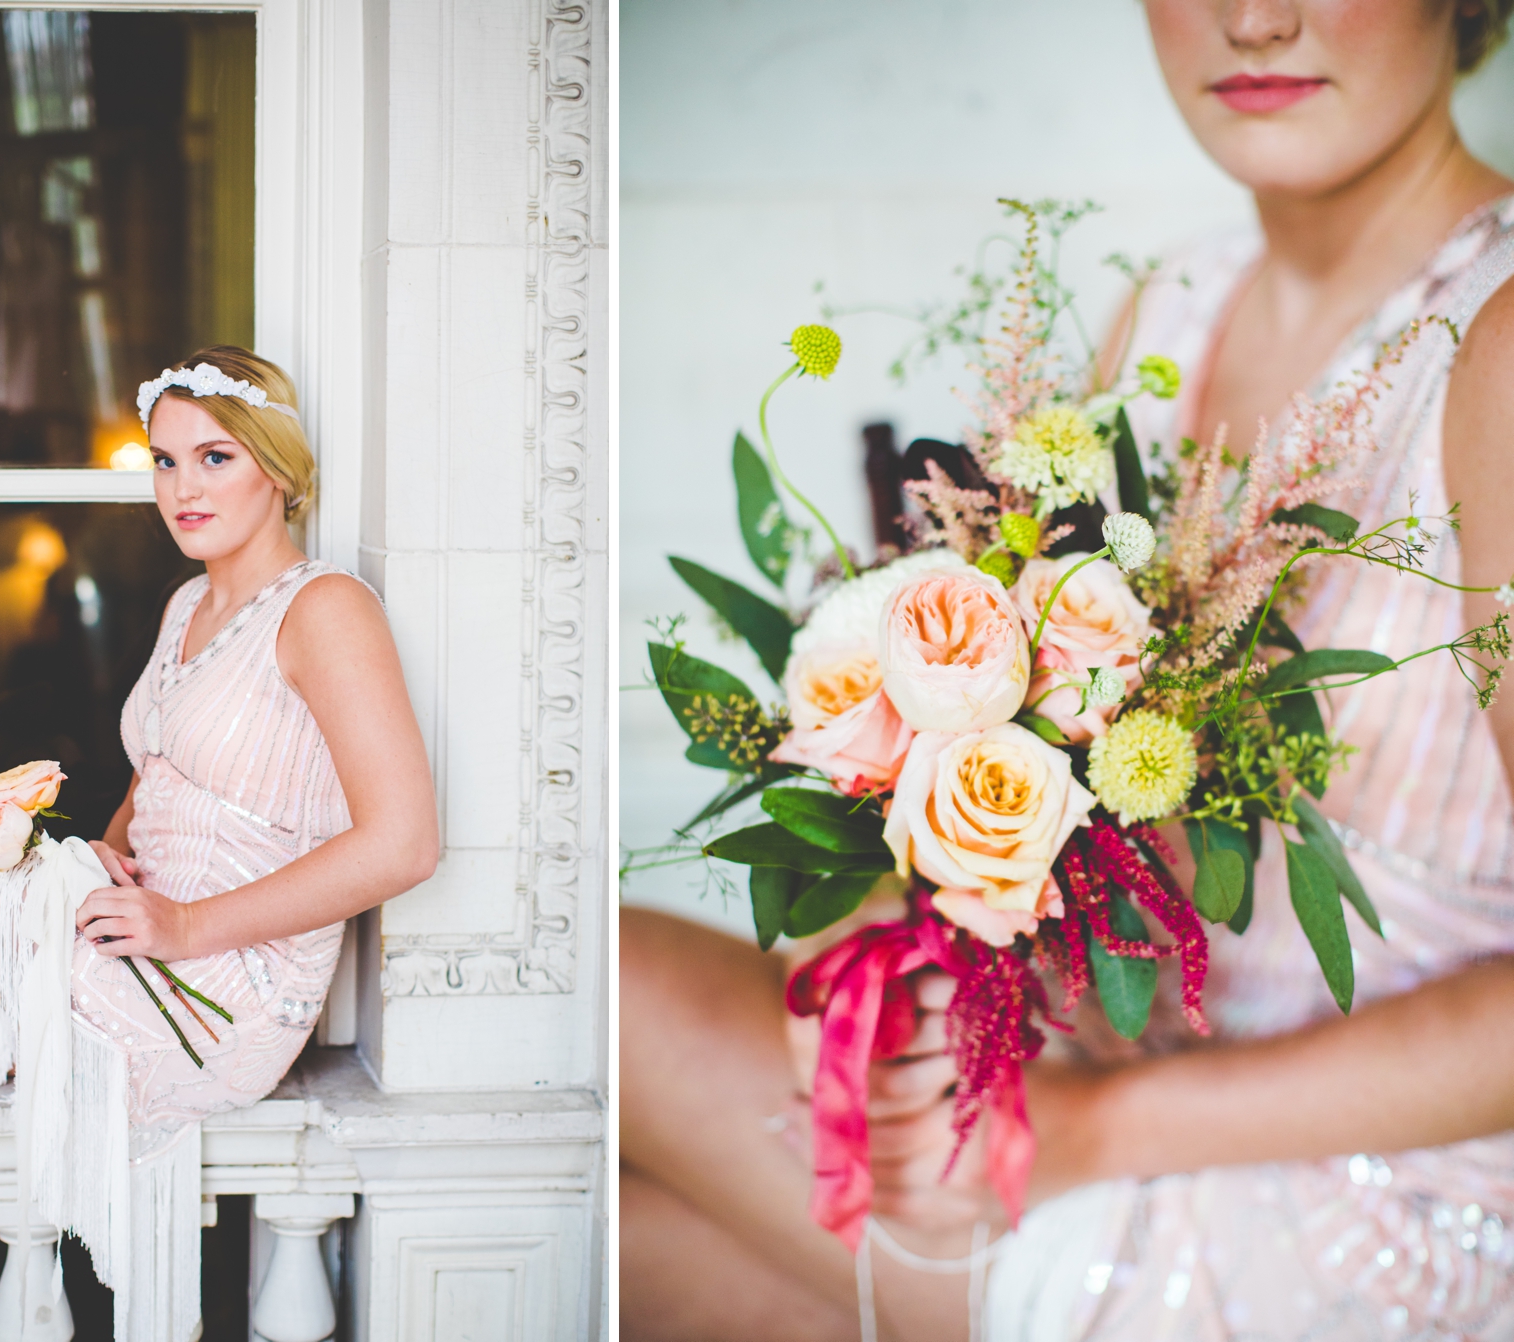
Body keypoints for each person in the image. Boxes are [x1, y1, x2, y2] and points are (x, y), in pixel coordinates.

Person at [622, 2, 1514, 1338]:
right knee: (601, 1210)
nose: (1254, 19)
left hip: (1378, 1196)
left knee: (600, 1017)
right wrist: (896, 974)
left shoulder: (1495, 348)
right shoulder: (1171, 306)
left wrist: (1094, 1125)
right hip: (1100, 1076)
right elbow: (1061, 796)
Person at [0, 347, 438, 1322]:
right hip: (113, 944)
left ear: (275, 464)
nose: (182, 487)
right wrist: (101, 846)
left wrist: (184, 925)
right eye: (164, 460)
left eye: (215, 457)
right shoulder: (190, 603)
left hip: (208, 1000)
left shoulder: (326, 609)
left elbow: (404, 843)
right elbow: (161, 782)